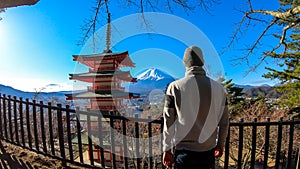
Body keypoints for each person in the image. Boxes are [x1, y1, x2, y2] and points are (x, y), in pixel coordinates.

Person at [162, 46, 229, 169]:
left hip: (183, 153)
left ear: (185, 63)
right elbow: (224, 122)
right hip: (208, 151)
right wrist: (220, 144)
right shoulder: (219, 89)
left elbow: (168, 121)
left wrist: (166, 149)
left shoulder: (174, 87)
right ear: (202, 62)